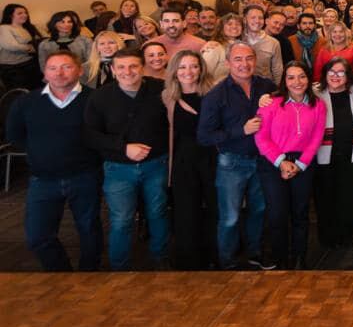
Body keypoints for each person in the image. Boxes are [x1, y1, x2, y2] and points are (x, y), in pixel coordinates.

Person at [6, 51, 102, 271]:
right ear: (44, 73)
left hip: (85, 176)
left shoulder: (94, 99)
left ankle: (90, 277)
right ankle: (62, 275)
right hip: (43, 179)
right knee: (37, 236)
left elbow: (105, 134)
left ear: (80, 70)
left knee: (89, 231)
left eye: (66, 67)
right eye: (52, 68)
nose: (59, 73)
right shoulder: (26, 102)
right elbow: (15, 135)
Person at [83, 48, 170, 270]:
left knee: (158, 213)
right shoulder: (100, 97)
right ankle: (119, 268)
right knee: (122, 219)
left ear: (143, 68)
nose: (127, 72)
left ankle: (161, 259)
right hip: (118, 168)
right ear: (112, 70)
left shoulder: (160, 89)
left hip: (156, 164)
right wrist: (123, 148)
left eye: (133, 66)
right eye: (120, 67)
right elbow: (90, 134)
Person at [197, 41, 278, 270]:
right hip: (232, 162)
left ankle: (255, 253)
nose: (244, 64)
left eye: (249, 58)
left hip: (263, 160)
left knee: (259, 210)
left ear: (255, 60)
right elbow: (204, 136)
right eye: (238, 59)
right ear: (228, 63)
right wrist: (240, 131)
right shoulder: (216, 94)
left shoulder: (267, 86)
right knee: (230, 216)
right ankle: (227, 262)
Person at [254, 62, 326, 270]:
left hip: (303, 163)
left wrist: (300, 164)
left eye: (302, 77)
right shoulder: (271, 104)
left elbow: (316, 138)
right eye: (291, 77)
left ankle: (299, 256)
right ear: (284, 81)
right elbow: (261, 138)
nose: (297, 82)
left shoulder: (318, 105)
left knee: (300, 213)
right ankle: (279, 258)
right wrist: (281, 162)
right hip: (273, 162)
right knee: (277, 213)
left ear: (308, 79)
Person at [162, 50, 217, 270]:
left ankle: (214, 254)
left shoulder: (214, 94)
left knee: (214, 207)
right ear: (175, 70)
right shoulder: (167, 97)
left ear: (201, 69)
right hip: (183, 160)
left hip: (212, 157)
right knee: (186, 210)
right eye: (183, 67)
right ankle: (189, 259)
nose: (188, 72)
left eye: (194, 66)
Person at [307, 57, 353, 250]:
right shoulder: (314, 92)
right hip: (324, 155)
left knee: (349, 195)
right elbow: (287, 93)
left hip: (351, 153)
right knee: (326, 196)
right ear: (325, 74)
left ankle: (349, 233)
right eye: (331, 72)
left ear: (348, 76)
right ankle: (328, 235)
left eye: (341, 72)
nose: (335, 76)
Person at [0, 3, 43, 90]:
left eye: (25, 12)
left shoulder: (28, 28)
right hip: (12, 67)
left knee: (36, 88)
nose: (25, 15)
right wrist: (30, 48)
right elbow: (10, 45)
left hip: (30, 63)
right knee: (20, 92)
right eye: (20, 13)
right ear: (10, 15)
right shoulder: (4, 27)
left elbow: (42, 41)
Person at [241, 5, 284, 84]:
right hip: (240, 87)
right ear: (245, 20)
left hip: (264, 87)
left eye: (260, 18)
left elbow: (277, 70)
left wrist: (275, 88)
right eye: (253, 17)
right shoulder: (238, 39)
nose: (257, 21)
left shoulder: (273, 43)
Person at [201, 13, 244, 83]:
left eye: (238, 24)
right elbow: (204, 74)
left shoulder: (243, 46)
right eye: (229, 24)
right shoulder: (214, 47)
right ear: (221, 28)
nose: (234, 26)